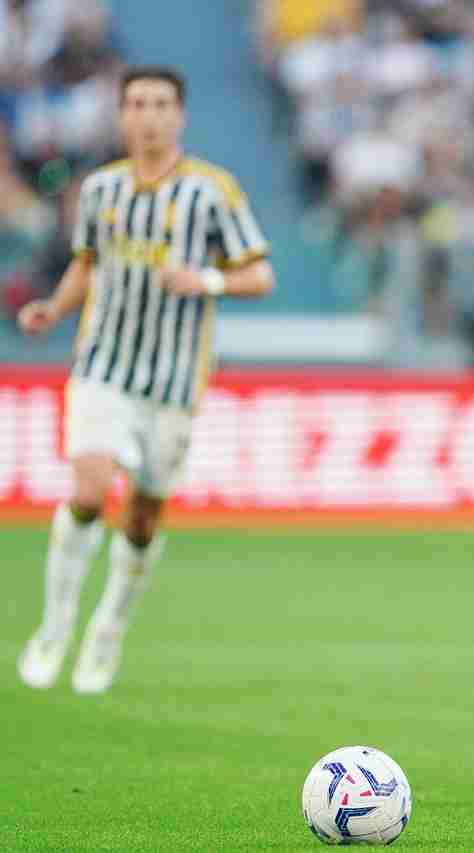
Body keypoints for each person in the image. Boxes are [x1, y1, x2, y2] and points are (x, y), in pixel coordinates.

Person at [16, 66, 274, 695]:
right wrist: (54, 307)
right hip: (102, 365)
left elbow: (259, 274)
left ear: (179, 116)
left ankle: (109, 628)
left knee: (142, 519)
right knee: (90, 484)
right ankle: (55, 627)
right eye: (136, 103)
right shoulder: (100, 190)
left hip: (174, 381)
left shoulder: (212, 191)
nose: (149, 114)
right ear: (121, 115)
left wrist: (206, 280)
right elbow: (86, 265)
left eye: (160, 103)